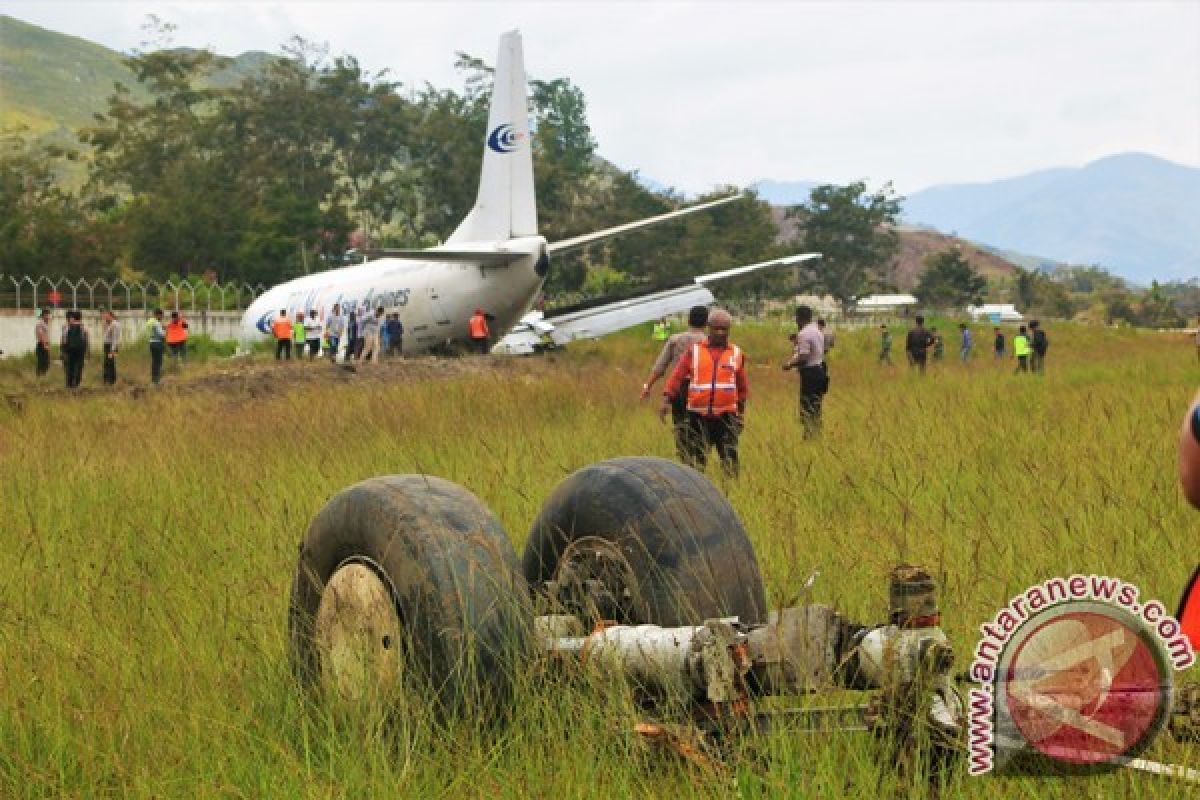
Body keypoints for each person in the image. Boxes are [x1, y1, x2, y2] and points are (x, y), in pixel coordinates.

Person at [661, 309, 747, 477]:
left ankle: (732, 492)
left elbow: (742, 387)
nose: (720, 333)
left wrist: (740, 415)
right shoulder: (695, 351)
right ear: (708, 328)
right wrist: (666, 399)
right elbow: (677, 375)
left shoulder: (736, 353)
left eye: (724, 329)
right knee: (697, 460)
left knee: (729, 459)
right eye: (716, 328)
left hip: (726, 417)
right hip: (698, 417)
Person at [641, 305, 709, 462]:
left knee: (681, 430)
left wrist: (647, 387)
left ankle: (684, 462)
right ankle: (699, 465)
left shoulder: (675, 339)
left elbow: (660, 367)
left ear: (688, 320)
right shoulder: (708, 342)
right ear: (706, 322)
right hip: (702, 392)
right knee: (701, 431)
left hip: (679, 391)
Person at [784, 305, 827, 438]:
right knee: (816, 407)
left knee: (807, 408)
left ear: (798, 318)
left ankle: (809, 437)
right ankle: (816, 435)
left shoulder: (804, 333)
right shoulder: (817, 330)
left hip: (810, 375)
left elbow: (803, 358)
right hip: (820, 372)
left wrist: (789, 364)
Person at [60, 310, 88, 389]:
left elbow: (64, 339)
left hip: (70, 349)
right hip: (80, 350)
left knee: (70, 366)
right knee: (79, 367)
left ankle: (69, 384)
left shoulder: (66, 327)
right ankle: (77, 384)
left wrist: (63, 350)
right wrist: (86, 351)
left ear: (72, 318)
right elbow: (85, 339)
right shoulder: (83, 327)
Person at [101, 309, 120, 385]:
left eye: (106, 315)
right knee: (107, 363)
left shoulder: (115, 324)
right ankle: (107, 379)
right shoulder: (109, 324)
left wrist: (112, 350)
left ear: (110, 315)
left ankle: (111, 380)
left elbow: (115, 338)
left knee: (110, 363)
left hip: (111, 346)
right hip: (107, 345)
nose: (105, 317)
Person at [147, 309, 166, 384]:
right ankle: (156, 381)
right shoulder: (156, 323)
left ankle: (154, 380)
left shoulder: (149, 321)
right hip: (158, 343)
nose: (162, 317)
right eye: (162, 315)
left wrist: (161, 326)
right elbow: (161, 334)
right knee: (158, 362)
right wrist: (165, 330)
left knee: (154, 362)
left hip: (151, 342)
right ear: (158, 315)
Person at [34, 308, 52, 377]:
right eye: (47, 315)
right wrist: (45, 345)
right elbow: (40, 335)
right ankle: (39, 376)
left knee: (46, 362)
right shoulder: (40, 324)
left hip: (46, 344)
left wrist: (48, 345)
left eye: (48, 315)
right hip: (41, 345)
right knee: (41, 362)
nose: (48, 317)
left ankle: (43, 375)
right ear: (43, 315)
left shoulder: (46, 324)